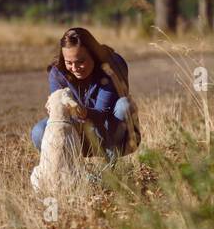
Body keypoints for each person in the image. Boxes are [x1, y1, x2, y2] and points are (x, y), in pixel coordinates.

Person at [31, 27, 139, 161]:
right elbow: (62, 117)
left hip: (110, 130)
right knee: (39, 131)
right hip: (78, 132)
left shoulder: (112, 65)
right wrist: (55, 108)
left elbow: (101, 113)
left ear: (93, 54)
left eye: (81, 62)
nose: (75, 69)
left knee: (124, 105)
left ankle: (111, 166)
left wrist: (84, 112)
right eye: (69, 62)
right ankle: (72, 170)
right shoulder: (57, 72)